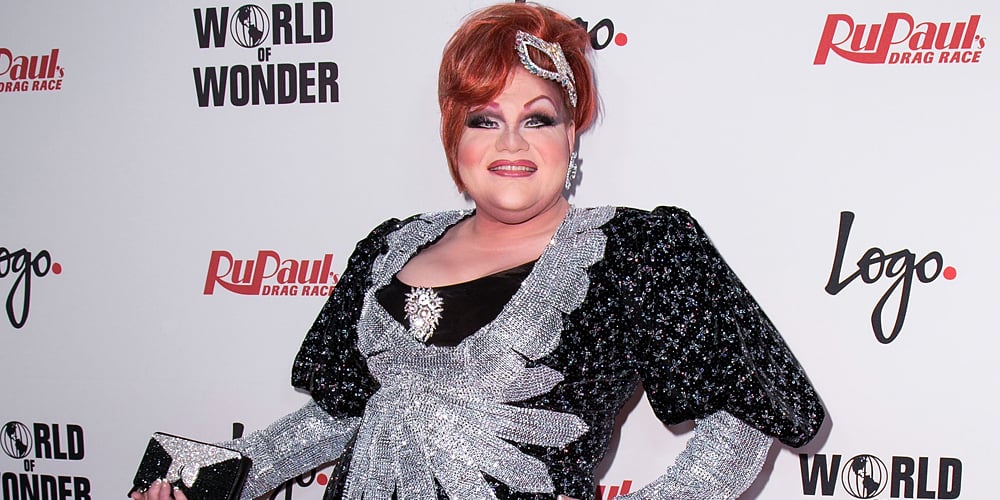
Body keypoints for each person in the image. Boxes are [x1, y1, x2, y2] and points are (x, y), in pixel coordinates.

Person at [133, 3, 824, 499]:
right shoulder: (389, 247)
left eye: (537, 119)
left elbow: (747, 414)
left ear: (570, 135)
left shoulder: (636, 250)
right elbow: (337, 417)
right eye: (485, 120)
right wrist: (195, 483)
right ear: (453, 138)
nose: (512, 143)